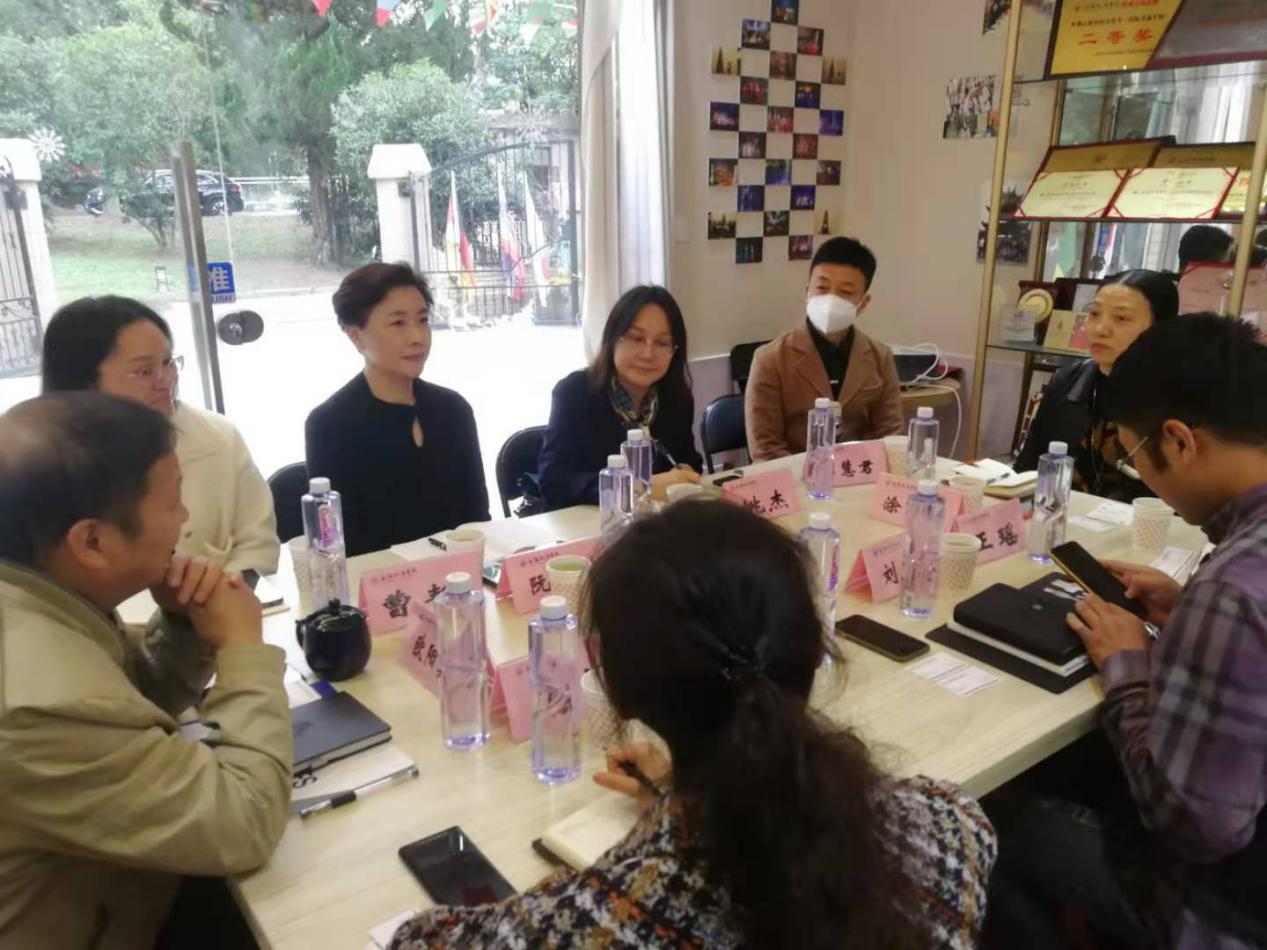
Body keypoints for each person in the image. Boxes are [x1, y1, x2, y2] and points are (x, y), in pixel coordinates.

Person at [390, 501, 996, 950]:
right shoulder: (953, 827)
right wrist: (683, 796)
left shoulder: (602, 918)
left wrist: (674, 811)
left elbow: (419, 940)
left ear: (621, 691)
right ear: (812, 647)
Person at [991, 315, 1267, 948]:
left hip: (1221, 907)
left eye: (1135, 457)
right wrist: (1188, 613)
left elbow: (1198, 826)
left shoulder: (1234, 592)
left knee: (985, 813)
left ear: (1179, 441)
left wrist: (1128, 666)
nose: (1143, 476)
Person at [0, 392, 291, 947]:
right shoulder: (37, 703)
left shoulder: (38, 594)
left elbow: (126, 701)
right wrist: (243, 650)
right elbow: (243, 823)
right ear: (93, 541)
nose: (185, 519)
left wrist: (182, 625)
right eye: (173, 502)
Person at [41, 296, 279, 573]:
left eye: (168, 363)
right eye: (144, 371)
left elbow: (258, 545)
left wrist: (215, 592)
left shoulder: (217, 438)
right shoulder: (37, 467)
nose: (166, 380)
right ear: (84, 382)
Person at [306, 263, 489, 556]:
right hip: (377, 578)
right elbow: (339, 545)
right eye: (398, 323)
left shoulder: (454, 410)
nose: (418, 337)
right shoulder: (330, 423)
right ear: (356, 336)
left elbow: (477, 520)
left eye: (423, 320)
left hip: (460, 575)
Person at [1014, 270, 1177, 501]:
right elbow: (1026, 473)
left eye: (1121, 318)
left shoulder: (1180, 398)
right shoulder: (1067, 382)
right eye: (1094, 313)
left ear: (1160, 330)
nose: (1101, 329)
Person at [538, 285, 702, 510]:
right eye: (636, 338)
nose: (648, 354)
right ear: (613, 338)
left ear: (674, 351)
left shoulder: (676, 398)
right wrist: (638, 487)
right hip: (589, 523)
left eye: (662, 343)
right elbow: (554, 482)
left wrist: (685, 472)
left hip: (657, 523)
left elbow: (690, 461)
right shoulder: (574, 393)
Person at [744, 236, 903, 462]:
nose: (831, 299)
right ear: (807, 291)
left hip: (862, 474)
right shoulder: (770, 360)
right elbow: (765, 449)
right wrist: (812, 476)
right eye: (822, 288)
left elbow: (890, 436)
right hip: (792, 476)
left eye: (845, 292)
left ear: (863, 303)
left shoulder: (880, 357)